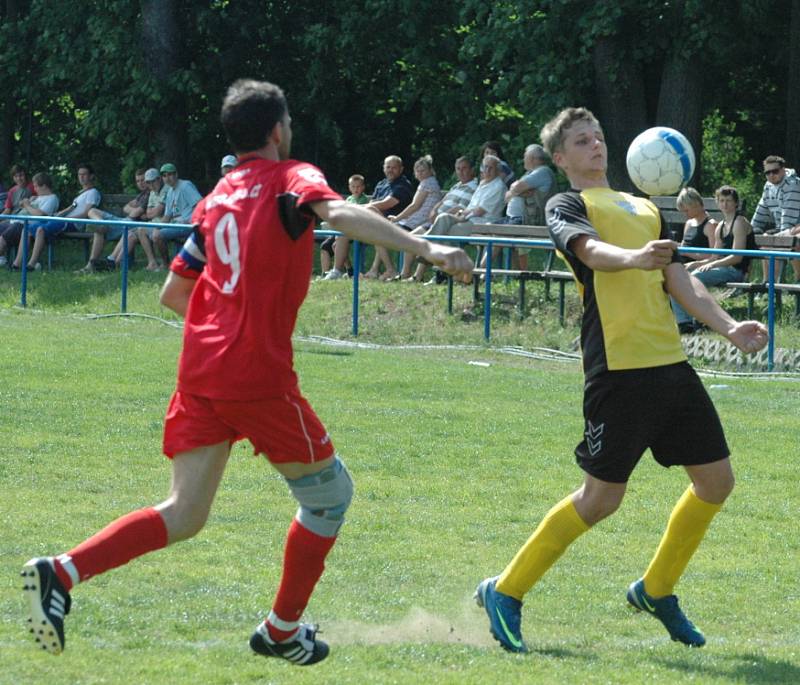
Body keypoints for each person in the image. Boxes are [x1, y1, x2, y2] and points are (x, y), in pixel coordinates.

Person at [21, 78, 472, 666]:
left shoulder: (216, 199)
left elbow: (173, 293)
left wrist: (224, 322)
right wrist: (429, 249)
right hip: (254, 376)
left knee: (183, 513)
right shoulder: (291, 180)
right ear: (279, 130)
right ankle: (283, 630)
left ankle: (61, 572)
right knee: (330, 497)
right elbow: (337, 212)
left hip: (201, 371)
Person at [474, 107, 768, 654]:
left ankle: (656, 591)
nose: (596, 147)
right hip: (618, 372)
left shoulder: (644, 207)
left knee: (716, 482)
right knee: (601, 498)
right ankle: (506, 590)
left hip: (670, 367)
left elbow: (679, 280)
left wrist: (729, 328)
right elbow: (590, 252)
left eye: (600, 138)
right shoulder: (568, 205)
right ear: (559, 158)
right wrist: (635, 256)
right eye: (582, 142)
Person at [672, 185, 758, 333]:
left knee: (696, 277)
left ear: (736, 203)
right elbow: (715, 256)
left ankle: (701, 320)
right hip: (722, 267)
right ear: (717, 203)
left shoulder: (739, 222)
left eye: (729, 201)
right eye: (722, 200)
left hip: (735, 271)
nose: (725, 204)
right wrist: (695, 263)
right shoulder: (720, 226)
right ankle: (685, 323)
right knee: (678, 276)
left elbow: (737, 257)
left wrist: (712, 265)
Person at [11, 163, 100, 271]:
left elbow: (87, 213)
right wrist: (57, 215)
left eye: (84, 174)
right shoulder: (81, 194)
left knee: (41, 229)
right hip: (64, 221)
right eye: (79, 174)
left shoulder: (93, 192)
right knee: (28, 229)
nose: (81, 177)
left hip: (74, 223)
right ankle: (17, 264)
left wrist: (67, 218)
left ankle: (31, 264)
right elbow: (70, 209)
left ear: (91, 176)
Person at [77, 169, 151, 273]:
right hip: (125, 221)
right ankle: (102, 224)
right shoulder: (142, 195)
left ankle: (91, 265)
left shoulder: (150, 195)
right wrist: (135, 210)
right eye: (138, 181)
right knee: (93, 212)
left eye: (142, 180)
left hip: (130, 224)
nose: (140, 183)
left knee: (98, 229)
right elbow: (125, 208)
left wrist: (134, 210)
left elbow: (133, 213)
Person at [387, 155, 442, 280]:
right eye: (417, 170)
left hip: (421, 222)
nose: (420, 173)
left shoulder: (427, 183)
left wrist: (396, 218)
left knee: (384, 234)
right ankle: (400, 272)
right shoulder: (428, 182)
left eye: (423, 170)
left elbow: (414, 206)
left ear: (430, 171)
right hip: (420, 221)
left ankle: (398, 272)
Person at [137, 163, 202, 270]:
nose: (168, 178)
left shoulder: (185, 186)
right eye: (165, 175)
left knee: (157, 235)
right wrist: (157, 227)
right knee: (143, 229)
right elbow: (167, 216)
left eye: (170, 174)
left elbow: (200, 204)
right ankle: (153, 263)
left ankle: (165, 264)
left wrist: (191, 221)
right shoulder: (171, 191)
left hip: (187, 225)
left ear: (176, 174)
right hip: (175, 224)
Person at [362, 155, 414, 280]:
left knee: (376, 225)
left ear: (401, 169)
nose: (390, 170)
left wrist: (358, 207)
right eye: (388, 167)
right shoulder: (381, 184)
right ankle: (336, 270)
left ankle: (389, 269)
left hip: (398, 223)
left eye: (394, 167)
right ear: (384, 168)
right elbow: (374, 202)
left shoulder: (403, 185)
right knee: (341, 233)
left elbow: (387, 203)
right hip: (379, 222)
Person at [750, 155, 800, 282]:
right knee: (766, 239)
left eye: (775, 171)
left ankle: (797, 280)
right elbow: (760, 212)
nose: (771, 175)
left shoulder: (792, 185)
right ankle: (768, 284)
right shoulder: (768, 186)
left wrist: (778, 237)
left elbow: (788, 220)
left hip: (794, 226)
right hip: (789, 228)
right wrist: (750, 231)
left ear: (783, 169)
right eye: (767, 172)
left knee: (793, 241)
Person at [0, 173, 59, 267]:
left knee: (2, 239)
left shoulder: (52, 198)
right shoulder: (38, 197)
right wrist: (25, 203)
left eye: (36, 186)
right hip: (15, 220)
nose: (34, 189)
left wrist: (27, 205)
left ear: (44, 186)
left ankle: (14, 264)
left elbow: (40, 215)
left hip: (24, 224)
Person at [320, 173, 369, 280]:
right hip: (345, 228)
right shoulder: (349, 199)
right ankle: (326, 272)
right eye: (353, 186)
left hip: (357, 230)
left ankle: (337, 271)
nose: (356, 189)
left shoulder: (364, 200)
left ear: (363, 187)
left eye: (358, 186)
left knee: (337, 242)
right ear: (349, 188)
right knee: (327, 246)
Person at [676, 187, 717, 262]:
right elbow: (683, 246)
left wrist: (687, 253)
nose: (685, 214)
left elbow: (714, 255)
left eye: (687, 210)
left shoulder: (710, 225)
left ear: (696, 204)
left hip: (697, 265)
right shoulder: (689, 223)